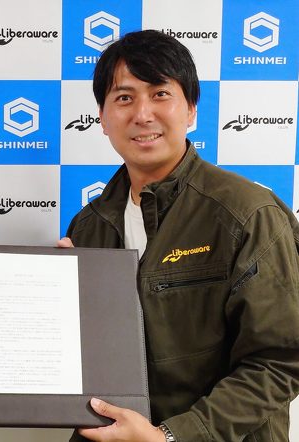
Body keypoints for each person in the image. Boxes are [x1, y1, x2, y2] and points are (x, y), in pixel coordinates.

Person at [59, 30, 299, 441]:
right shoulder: (87, 227)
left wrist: (170, 436)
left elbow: (281, 361)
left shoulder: (247, 213)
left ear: (190, 110)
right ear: (102, 118)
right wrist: (54, 302)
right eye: (124, 98)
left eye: (160, 94)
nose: (142, 114)